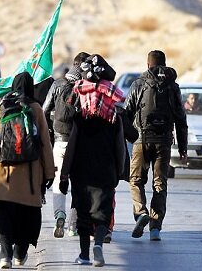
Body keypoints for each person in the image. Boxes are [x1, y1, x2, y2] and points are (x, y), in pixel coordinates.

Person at [0, 72, 55, 269]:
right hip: (30, 175)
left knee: (3, 214)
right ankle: (19, 253)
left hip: (2, 174)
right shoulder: (36, 109)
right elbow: (45, 144)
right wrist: (49, 172)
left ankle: (5, 254)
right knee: (27, 215)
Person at [59, 55, 126, 267]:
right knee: (103, 212)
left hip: (81, 174)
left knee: (84, 215)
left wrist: (64, 175)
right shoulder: (114, 119)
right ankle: (98, 243)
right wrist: (119, 171)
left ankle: (84, 255)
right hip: (106, 172)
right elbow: (119, 148)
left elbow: (71, 148)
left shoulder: (80, 119)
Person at [124, 50, 188, 241]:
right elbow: (181, 119)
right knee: (160, 183)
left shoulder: (139, 83)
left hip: (141, 141)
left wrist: (129, 137)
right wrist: (183, 148)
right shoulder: (173, 86)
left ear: (148, 64)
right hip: (164, 142)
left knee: (136, 180)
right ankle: (155, 228)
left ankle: (141, 212)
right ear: (164, 64)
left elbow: (127, 113)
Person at [42, 52, 89, 239]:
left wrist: (50, 134)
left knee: (58, 182)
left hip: (60, 142)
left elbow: (45, 110)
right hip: (80, 144)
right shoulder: (86, 88)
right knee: (79, 185)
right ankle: (73, 225)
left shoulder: (58, 84)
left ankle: (59, 215)